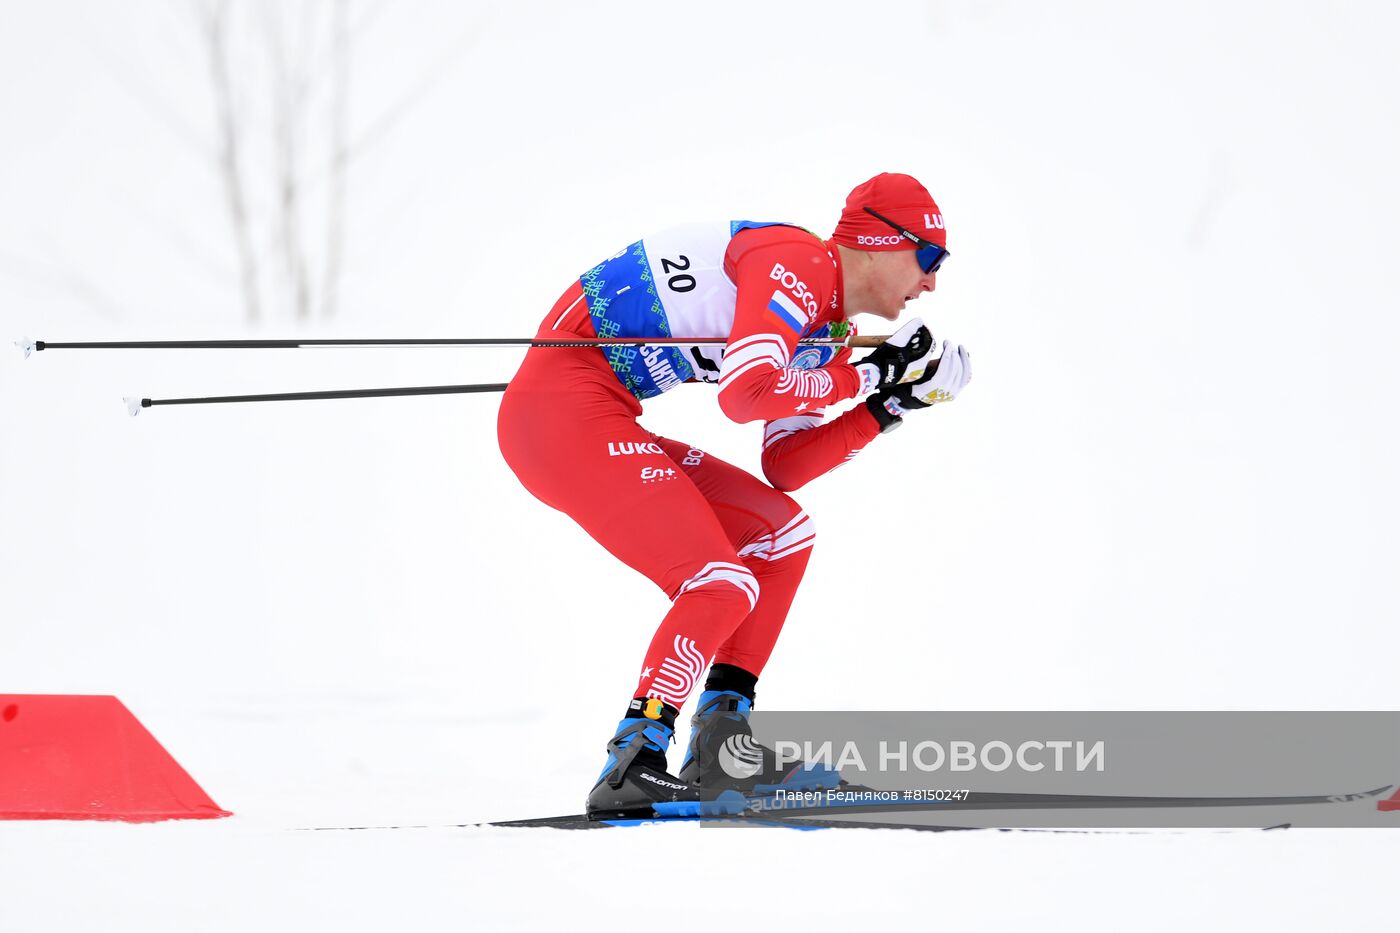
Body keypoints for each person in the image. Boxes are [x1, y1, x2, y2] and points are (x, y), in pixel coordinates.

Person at [496, 172, 972, 818]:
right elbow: (744, 393)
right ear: (881, 242)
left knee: (783, 536)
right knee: (720, 579)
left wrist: (891, 402)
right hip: (559, 410)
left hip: (596, 408)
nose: (932, 282)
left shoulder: (824, 327)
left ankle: (720, 747)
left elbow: (787, 464)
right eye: (928, 258)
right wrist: (869, 372)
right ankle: (633, 759)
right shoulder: (798, 265)